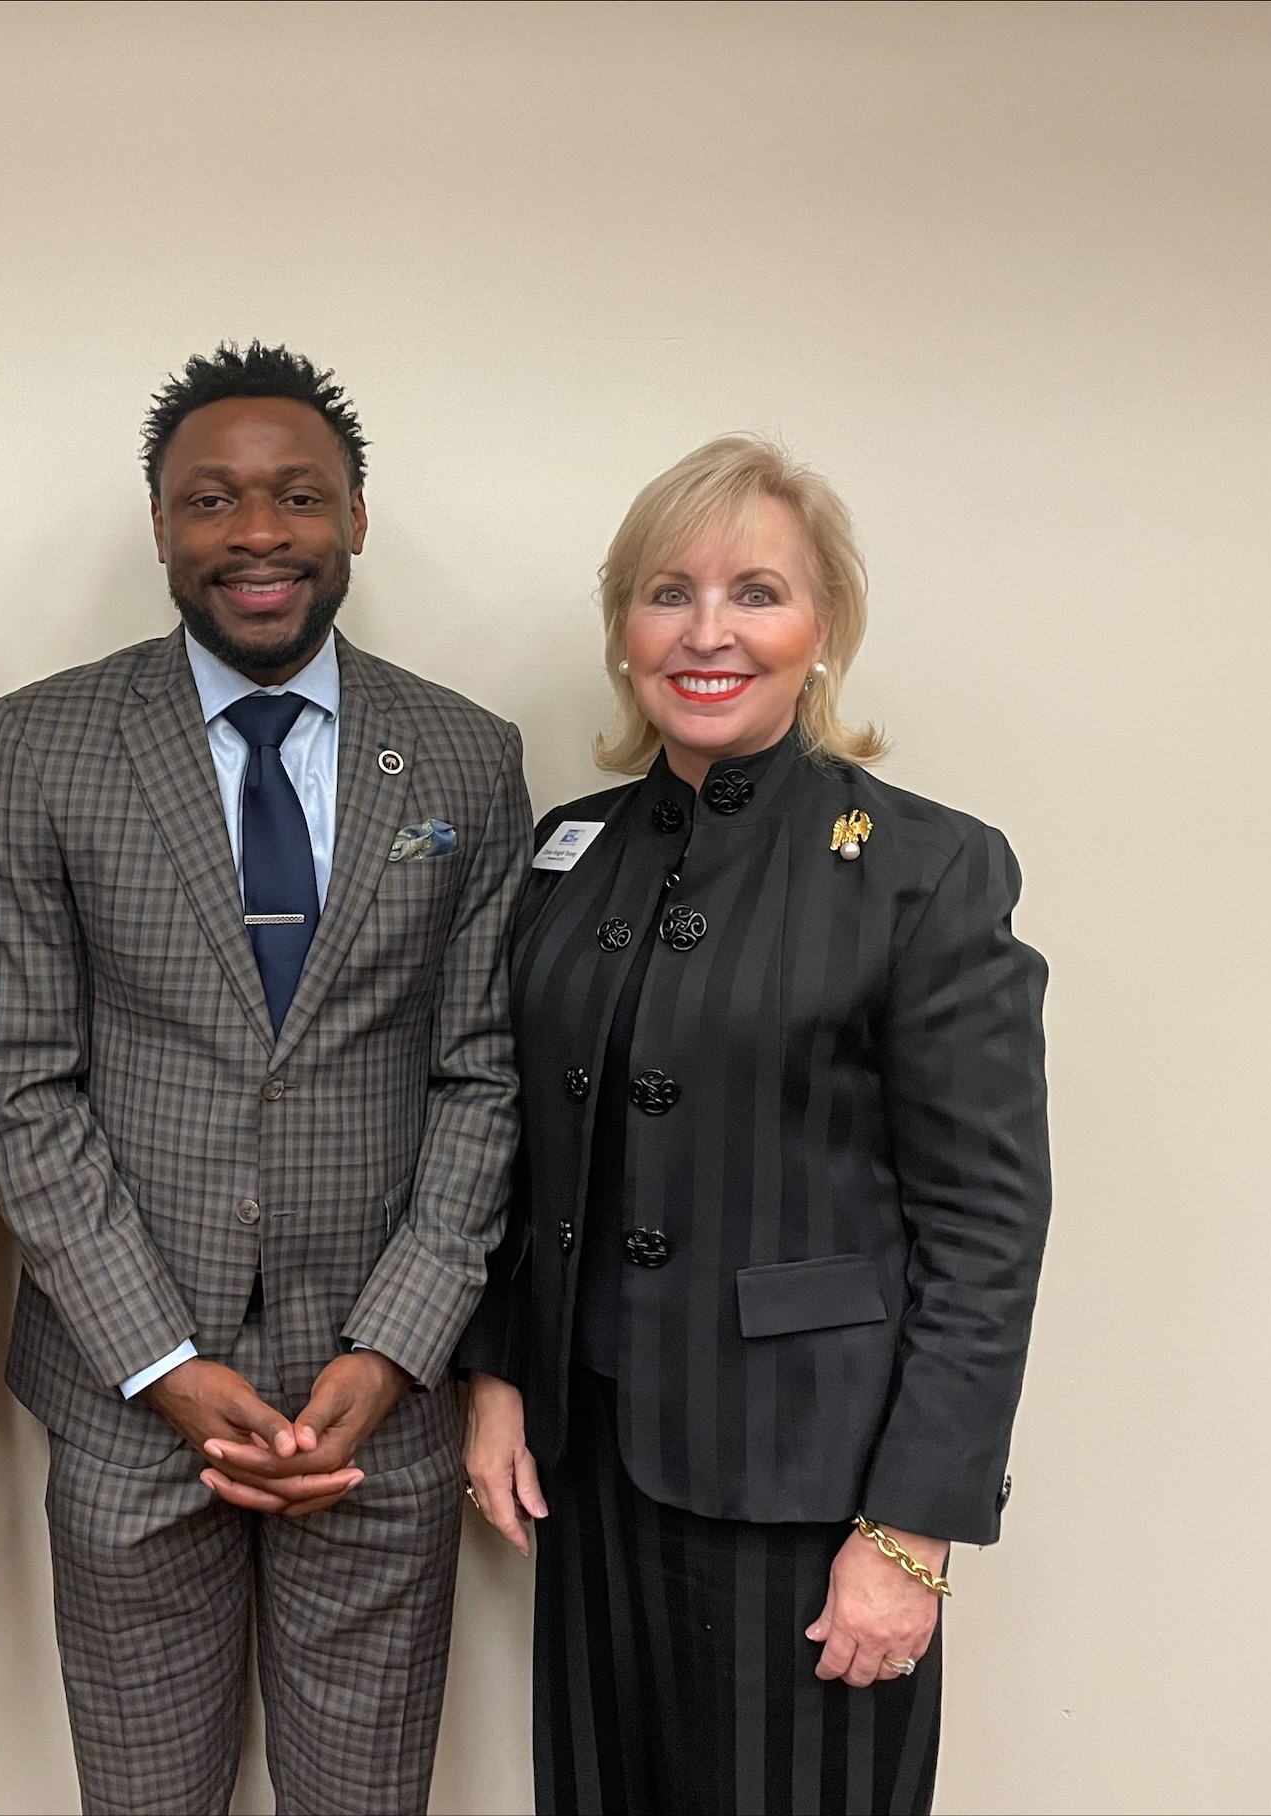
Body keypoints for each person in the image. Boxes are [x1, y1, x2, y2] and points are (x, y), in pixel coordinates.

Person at [0, 344, 527, 1816]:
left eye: (297, 497)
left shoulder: (465, 757)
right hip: (129, 1394)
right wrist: (159, 1363)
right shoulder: (44, 743)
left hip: (376, 1406)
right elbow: (22, 1079)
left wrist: (394, 1348)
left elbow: (483, 1078)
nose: (257, 533)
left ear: (354, 519)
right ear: (160, 525)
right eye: (211, 499)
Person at [457, 435, 1051, 1815]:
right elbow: (529, 1140)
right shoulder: (570, 850)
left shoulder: (924, 869)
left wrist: (909, 1534)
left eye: (757, 592)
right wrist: (496, 1375)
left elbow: (985, 1228)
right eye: (668, 592)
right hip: (591, 1465)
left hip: (811, 1486)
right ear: (622, 630)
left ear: (823, 626)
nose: (708, 631)